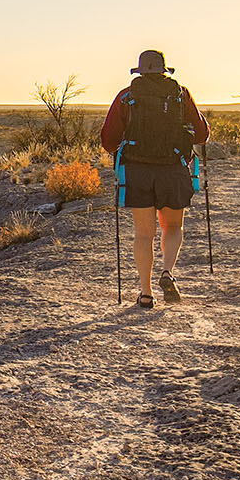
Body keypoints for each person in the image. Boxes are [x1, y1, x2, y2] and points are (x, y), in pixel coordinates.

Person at [99, 49, 209, 308]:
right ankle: (167, 272)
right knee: (172, 227)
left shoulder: (126, 97)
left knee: (143, 234)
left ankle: (146, 293)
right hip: (172, 169)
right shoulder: (180, 95)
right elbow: (202, 134)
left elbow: (108, 141)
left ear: (140, 71)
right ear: (163, 70)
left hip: (137, 172)